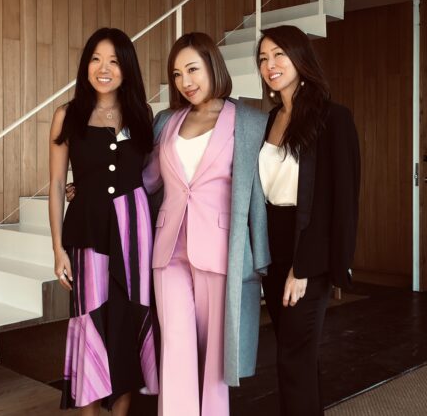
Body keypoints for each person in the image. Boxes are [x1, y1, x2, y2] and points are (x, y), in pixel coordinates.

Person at [143, 32, 270, 416]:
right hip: (168, 251)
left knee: (216, 359)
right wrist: (92, 184)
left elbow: (257, 192)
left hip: (220, 250)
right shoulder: (167, 120)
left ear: (213, 66)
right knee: (175, 348)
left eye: (192, 69)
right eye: (177, 74)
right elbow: (147, 180)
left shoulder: (248, 121)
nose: (185, 81)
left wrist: (261, 256)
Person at [48, 27, 158, 415]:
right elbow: (56, 184)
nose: (104, 68)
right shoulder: (67, 115)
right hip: (87, 232)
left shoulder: (142, 115)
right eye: (96, 59)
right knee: (90, 321)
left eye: (113, 61)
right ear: (86, 65)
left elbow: (151, 175)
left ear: (127, 68)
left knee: (127, 323)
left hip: (134, 235)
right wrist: (57, 249)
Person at [256, 25, 360, 415]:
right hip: (273, 248)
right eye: (263, 58)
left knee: (293, 359)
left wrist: (305, 267)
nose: (270, 65)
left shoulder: (334, 118)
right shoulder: (270, 119)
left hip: (307, 252)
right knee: (295, 355)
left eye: (279, 54)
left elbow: (342, 201)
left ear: (301, 58)